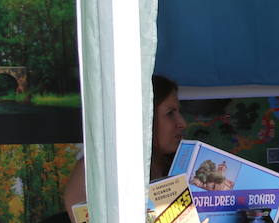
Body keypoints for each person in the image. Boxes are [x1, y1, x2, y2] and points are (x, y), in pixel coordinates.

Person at [62, 74, 187, 214]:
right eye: (170, 113)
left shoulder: (176, 167)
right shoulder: (92, 173)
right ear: (143, 117)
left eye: (179, 112)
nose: (182, 123)